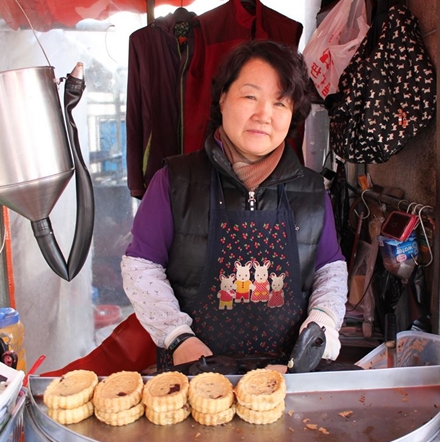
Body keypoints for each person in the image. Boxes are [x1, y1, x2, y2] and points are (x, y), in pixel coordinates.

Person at [121, 40, 347, 370]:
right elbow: (141, 266)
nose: (264, 115)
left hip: (286, 378)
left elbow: (330, 269)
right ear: (223, 98)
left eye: (280, 103)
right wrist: (178, 336)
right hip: (192, 376)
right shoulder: (174, 181)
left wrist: (323, 322)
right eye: (250, 96)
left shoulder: (313, 191)